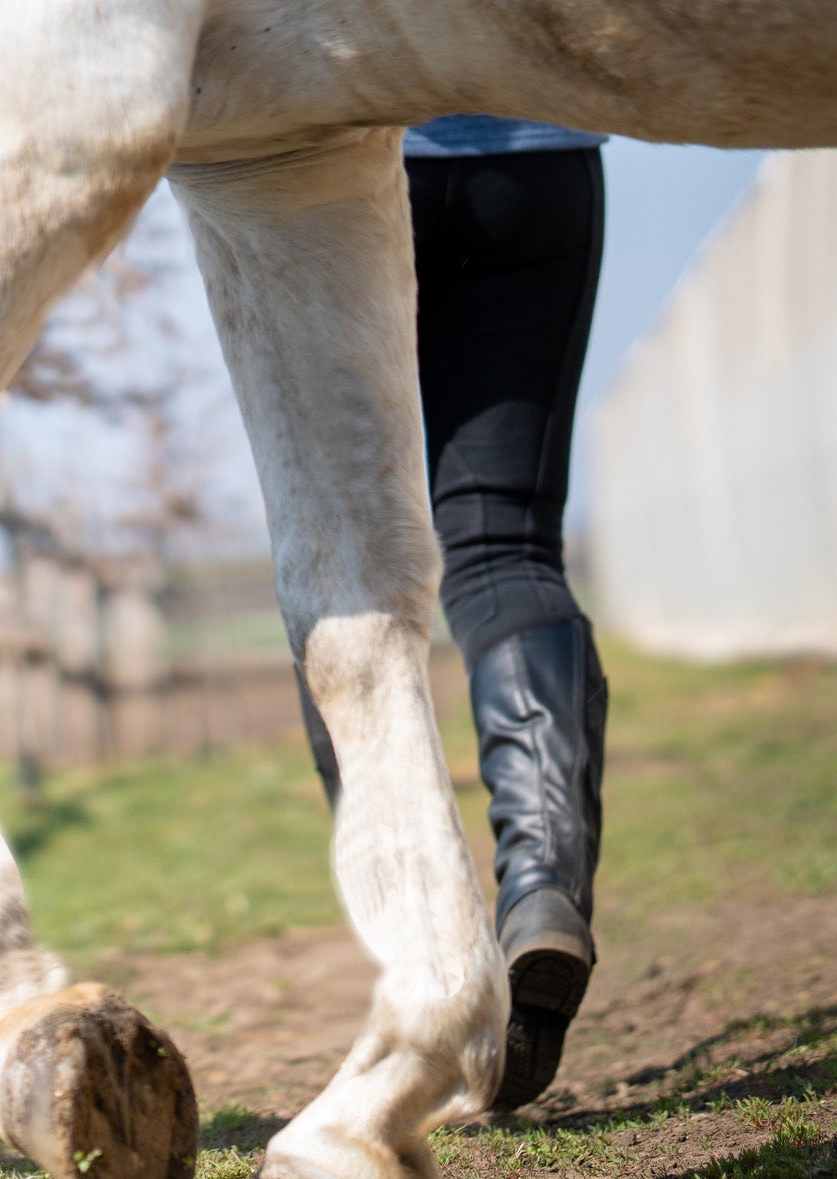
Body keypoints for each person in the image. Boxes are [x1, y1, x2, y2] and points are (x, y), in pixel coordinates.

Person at [299, 115, 609, 1111]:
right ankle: (542, 884)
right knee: (504, 546)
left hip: (320, 167)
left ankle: (431, 948)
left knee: (342, 569)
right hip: (530, 150)